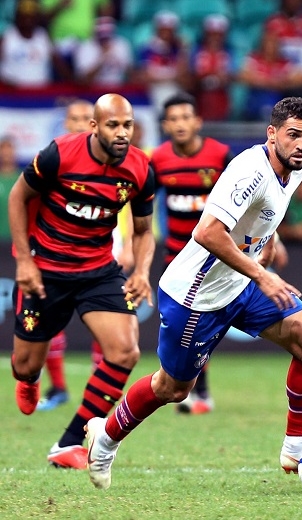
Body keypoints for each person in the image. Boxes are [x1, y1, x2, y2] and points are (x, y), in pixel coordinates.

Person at [84, 97, 302, 491]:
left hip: (240, 283)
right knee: (173, 387)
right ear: (272, 134)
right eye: (293, 135)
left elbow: (259, 213)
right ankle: (105, 437)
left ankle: (297, 449)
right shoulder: (250, 170)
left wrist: (272, 239)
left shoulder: (293, 168)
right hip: (196, 296)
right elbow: (208, 232)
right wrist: (263, 276)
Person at [9, 93, 155, 472]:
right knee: (24, 366)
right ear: (94, 127)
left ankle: (69, 442)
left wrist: (140, 271)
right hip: (46, 271)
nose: (122, 133)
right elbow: (17, 197)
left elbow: (143, 230)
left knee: (125, 352)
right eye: (113, 125)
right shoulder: (59, 154)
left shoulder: (140, 169)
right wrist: (24, 260)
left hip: (98, 271)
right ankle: (29, 378)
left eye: (127, 125)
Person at [36, 99, 136, 413]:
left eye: (85, 117)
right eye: (74, 118)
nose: (79, 123)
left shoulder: (118, 158)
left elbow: (130, 204)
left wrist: (129, 245)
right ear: (67, 123)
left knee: (107, 321)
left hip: (108, 246)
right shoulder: (56, 157)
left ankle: (99, 385)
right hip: (59, 251)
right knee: (51, 322)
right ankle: (58, 387)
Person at [150, 91, 233, 414]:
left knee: (201, 323)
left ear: (198, 121)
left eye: (186, 117)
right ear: (166, 125)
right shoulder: (157, 159)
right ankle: (194, 392)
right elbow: (142, 203)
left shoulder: (220, 155)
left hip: (215, 257)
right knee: (182, 326)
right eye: (174, 119)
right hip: (176, 259)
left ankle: (200, 393)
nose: (181, 124)